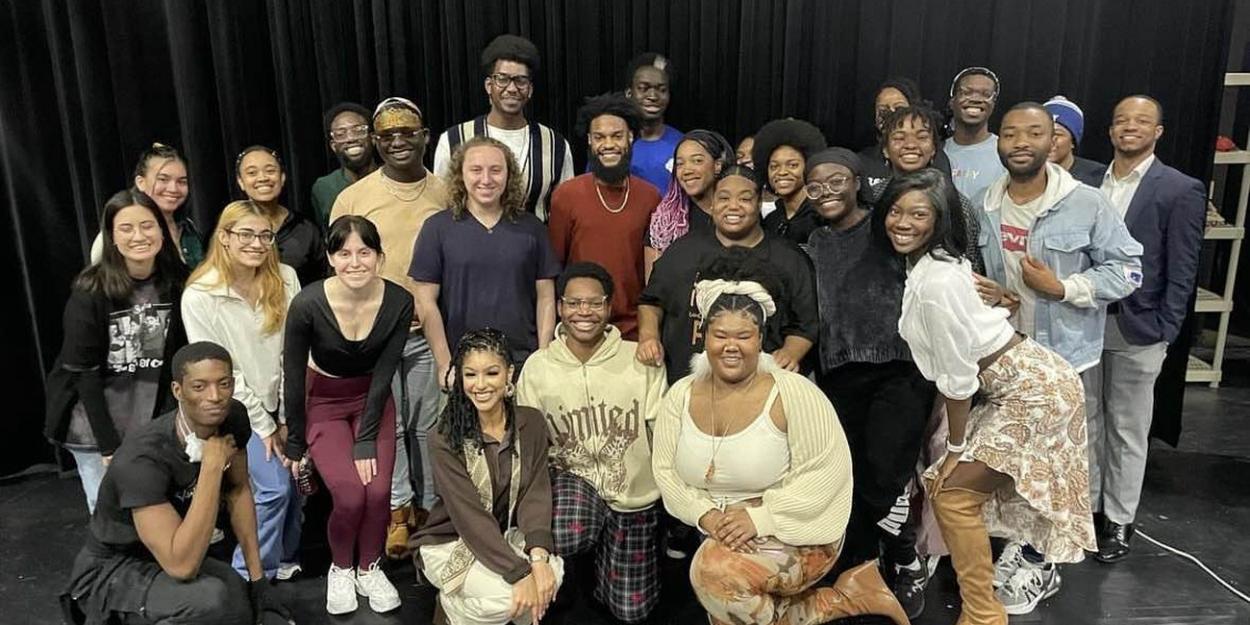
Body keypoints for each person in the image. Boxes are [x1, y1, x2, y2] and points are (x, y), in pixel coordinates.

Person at [886, 169, 1095, 625]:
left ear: (939, 220)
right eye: (896, 211)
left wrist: (955, 449)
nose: (902, 222)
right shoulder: (935, 266)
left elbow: (959, 377)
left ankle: (983, 615)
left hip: (1034, 390)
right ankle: (983, 610)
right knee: (952, 495)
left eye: (918, 213)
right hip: (1016, 382)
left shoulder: (937, 280)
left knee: (953, 492)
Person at [650, 267, 909, 625]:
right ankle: (854, 593)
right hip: (721, 530)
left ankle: (840, 600)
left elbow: (826, 475)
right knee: (725, 594)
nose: (731, 346)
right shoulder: (679, 395)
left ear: (760, 339)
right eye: (720, 334)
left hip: (799, 528)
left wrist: (760, 517)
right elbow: (665, 472)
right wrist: (704, 514)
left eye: (744, 336)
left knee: (716, 577)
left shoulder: (793, 392)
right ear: (704, 337)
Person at [970, 101, 1142, 614]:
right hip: (1006, 357)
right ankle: (1018, 547)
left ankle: (1042, 560)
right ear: (998, 142)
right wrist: (999, 295)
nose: (1020, 141)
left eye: (1034, 133)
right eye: (1010, 133)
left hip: (1066, 357)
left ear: (1053, 142)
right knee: (1013, 461)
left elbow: (1128, 271)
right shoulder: (984, 203)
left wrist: (1063, 287)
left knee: (1059, 464)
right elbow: (987, 275)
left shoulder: (1086, 204)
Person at [60, 342, 291, 625]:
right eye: (199, 386)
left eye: (224, 384)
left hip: (168, 548)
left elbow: (238, 490)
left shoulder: (234, 418)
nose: (215, 396)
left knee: (237, 598)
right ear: (178, 391)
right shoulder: (142, 460)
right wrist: (211, 467)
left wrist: (258, 581)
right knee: (210, 601)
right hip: (115, 567)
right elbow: (181, 566)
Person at [804, 148, 936, 619]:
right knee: (849, 477)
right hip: (839, 375)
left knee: (885, 474)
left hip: (900, 371)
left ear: (858, 180)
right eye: (814, 185)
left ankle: (903, 556)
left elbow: (934, 258)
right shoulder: (814, 242)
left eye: (835, 181)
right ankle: (862, 573)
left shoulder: (884, 227)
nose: (825, 192)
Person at [331, 95, 452, 559]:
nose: (399, 142)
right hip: (373, 336)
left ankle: (429, 506)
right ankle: (397, 510)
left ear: (425, 137)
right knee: (389, 426)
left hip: (427, 334)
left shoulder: (445, 191)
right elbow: (342, 265)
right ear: (376, 143)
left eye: (408, 133)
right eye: (388, 136)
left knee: (427, 425)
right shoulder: (354, 198)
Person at [1088, 95, 1206, 563]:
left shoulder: (1179, 188)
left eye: (1141, 121)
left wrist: (1166, 328)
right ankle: (1089, 511)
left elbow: (1184, 266)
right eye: (1121, 120)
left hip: (1139, 328)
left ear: (1158, 131)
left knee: (1128, 427)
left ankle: (1119, 520)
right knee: (1088, 424)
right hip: (1086, 322)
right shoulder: (1088, 181)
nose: (1129, 127)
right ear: (1111, 129)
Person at [516, 262, 668, 624]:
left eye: (594, 303)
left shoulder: (640, 359)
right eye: (574, 303)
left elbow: (661, 430)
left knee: (631, 611)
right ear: (561, 307)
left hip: (632, 495)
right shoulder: (538, 367)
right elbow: (530, 445)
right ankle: (571, 571)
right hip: (572, 483)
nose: (584, 312)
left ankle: (607, 570)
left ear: (609, 306)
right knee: (568, 530)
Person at [282, 215, 412, 615]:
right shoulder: (307, 303)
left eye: (364, 252)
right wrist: (295, 442)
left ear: (379, 256)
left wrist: (367, 437)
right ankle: (341, 568)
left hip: (372, 400)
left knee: (377, 494)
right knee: (352, 495)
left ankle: (368, 567)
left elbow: (386, 372)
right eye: (344, 253)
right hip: (324, 402)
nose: (355, 262)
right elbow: (292, 374)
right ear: (330, 258)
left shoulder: (399, 301)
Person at [181, 200, 305, 581]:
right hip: (233, 408)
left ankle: (283, 557)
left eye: (265, 235)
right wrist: (265, 426)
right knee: (273, 490)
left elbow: (293, 350)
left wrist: (286, 416)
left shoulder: (285, 278)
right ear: (225, 237)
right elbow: (222, 373)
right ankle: (250, 575)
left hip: (283, 401)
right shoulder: (200, 295)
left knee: (298, 484)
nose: (256, 243)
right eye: (246, 234)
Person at [45, 189, 189, 512]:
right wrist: (108, 446)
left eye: (147, 225)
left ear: (162, 231)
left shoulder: (177, 283)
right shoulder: (91, 289)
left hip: (148, 418)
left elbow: (177, 358)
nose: (139, 236)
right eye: (126, 228)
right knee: (109, 511)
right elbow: (83, 373)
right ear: (111, 236)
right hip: (95, 424)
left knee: (155, 506)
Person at [414, 328, 566, 625]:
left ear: (509, 373)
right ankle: (451, 610)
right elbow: (468, 517)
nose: (480, 385)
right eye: (470, 375)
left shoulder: (531, 422)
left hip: (507, 532)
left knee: (551, 576)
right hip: (453, 539)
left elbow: (536, 493)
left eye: (491, 373)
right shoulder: (443, 437)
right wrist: (518, 571)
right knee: (510, 596)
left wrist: (537, 556)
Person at [637, 165, 819, 384]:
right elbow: (651, 301)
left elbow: (807, 323)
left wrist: (791, 351)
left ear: (759, 203)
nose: (733, 206)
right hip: (688, 385)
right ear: (713, 204)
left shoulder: (789, 259)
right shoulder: (682, 251)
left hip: (762, 388)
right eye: (724, 198)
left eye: (744, 199)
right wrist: (648, 336)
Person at [412, 135, 561, 389]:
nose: (486, 179)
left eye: (496, 170)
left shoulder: (532, 228)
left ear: (509, 175)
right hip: (463, 365)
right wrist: (444, 363)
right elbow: (425, 301)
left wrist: (543, 358)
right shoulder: (437, 228)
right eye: (476, 170)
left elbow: (546, 297)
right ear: (460, 174)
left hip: (522, 363)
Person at [548, 94, 661, 340]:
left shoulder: (650, 196)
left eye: (617, 136)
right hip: (579, 326)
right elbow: (554, 268)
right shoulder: (566, 196)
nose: (608, 144)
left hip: (634, 331)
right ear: (589, 141)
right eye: (599, 137)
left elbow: (655, 275)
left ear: (631, 137)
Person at [432, 34, 574, 221]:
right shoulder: (454, 139)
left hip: (534, 246)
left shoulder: (555, 144)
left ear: (530, 89)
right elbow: (442, 204)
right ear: (489, 85)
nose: (512, 88)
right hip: (470, 246)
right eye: (502, 79)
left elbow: (565, 208)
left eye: (520, 80)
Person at [873, 104, 985, 273]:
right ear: (885, 150)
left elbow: (971, 268)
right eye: (899, 138)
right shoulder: (872, 198)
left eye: (922, 137)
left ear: (933, 149)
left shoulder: (956, 203)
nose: (910, 144)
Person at [90, 143, 204, 268]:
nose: (173, 188)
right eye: (163, 179)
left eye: (182, 181)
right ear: (140, 182)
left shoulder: (188, 227)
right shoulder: (114, 235)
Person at [235, 145, 325, 285]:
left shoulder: (306, 229)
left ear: (282, 177)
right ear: (240, 182)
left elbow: (323, 280)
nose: (263, 178)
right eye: (252, 173)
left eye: (270, 171)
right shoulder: (230, 229)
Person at [645, 130, 736, 261]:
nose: (687, 170)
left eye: (697, 161)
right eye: (680, 163)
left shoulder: (738, 214)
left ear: (717, 165)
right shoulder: (665, 223)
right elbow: (653, 280)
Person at [859, 77, 953, 188]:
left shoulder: (937, 160)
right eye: (883, 110)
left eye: (899, 108)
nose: (891, 114)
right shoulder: (863, 160)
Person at [752, 118, 828, 245]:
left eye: (792, 165)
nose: (782, 172)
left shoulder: (821, 217)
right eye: (774, 166)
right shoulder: (771, 220)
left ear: (809, 167)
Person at [311, 101, 379, 230]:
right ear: (333, 146)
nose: (351, 139)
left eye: (358, 130)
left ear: (373, 138)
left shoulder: (391, 178)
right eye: (341, 134)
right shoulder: (324, 187)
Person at [624, 52, 683, 195]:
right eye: (643, 88)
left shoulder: (683, 144)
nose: (653, 96)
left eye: (662, 90)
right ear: (629, 93)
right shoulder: (614, 142)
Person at [944, 67, 1007, 200]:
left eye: (986, 94)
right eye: (966, 92)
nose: (976, 99)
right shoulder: (936, 151)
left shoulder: (1005, 150)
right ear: (952, 101)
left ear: (994, 104)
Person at [1043, 96, 1107, 188]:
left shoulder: (1099, 177)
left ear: (1073, 141)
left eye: (1057, 134)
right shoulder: (1023, 173)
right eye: (1040, 134)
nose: (1049, 140)